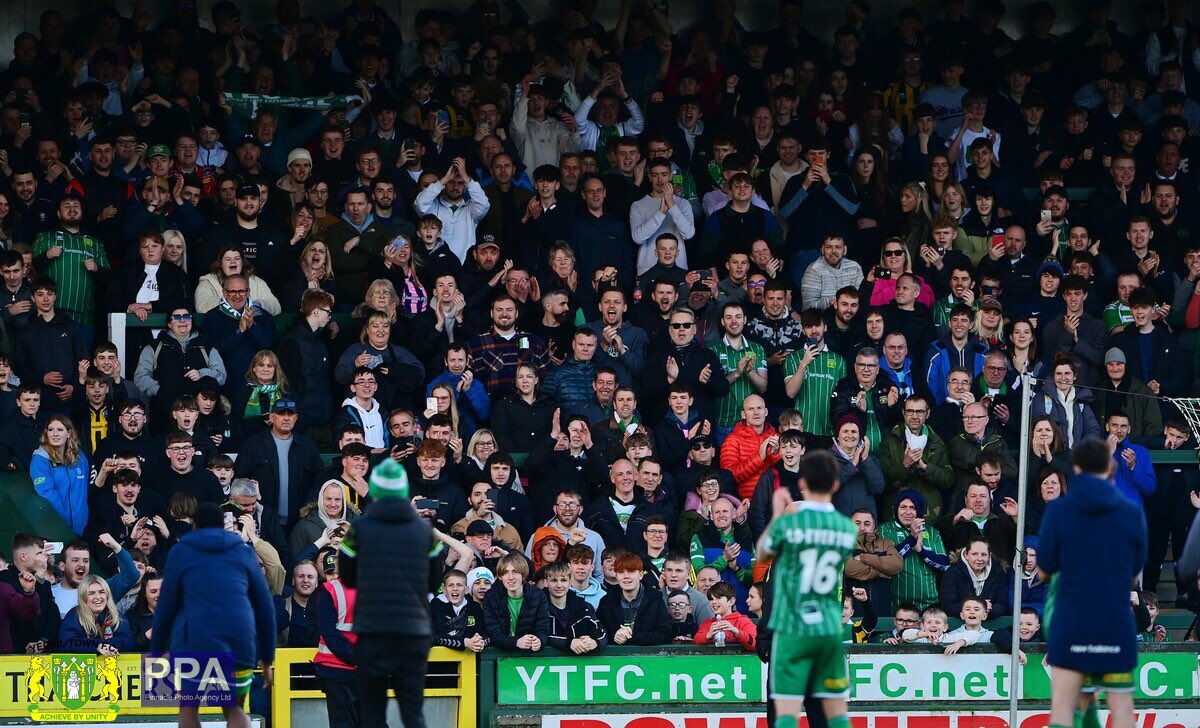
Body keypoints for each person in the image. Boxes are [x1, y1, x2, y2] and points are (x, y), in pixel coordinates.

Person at [1040, 439, 1148, 728]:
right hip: (1114, 623)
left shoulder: (1058, 511)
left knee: (1064, 708)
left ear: (1076, 469)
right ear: (1111, 466)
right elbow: (1135, 571)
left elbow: (1045, 567)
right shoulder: (1131, 512)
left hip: (1073, 621)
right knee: (1123, 710)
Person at [756, 450, 858, 728]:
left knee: (784, 715)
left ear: (802, 483)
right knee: (833, 715)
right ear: (835, 485)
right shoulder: (846, 529)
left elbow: (763, 553)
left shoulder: (790, 525)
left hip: (791, 630)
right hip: (826, 630)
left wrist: (779, 514)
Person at [152, 502, 276, 727]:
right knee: (234, 707)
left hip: (195, 640)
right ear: (223, 526)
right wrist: (267, 657)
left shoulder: (181, 551)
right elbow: (265, 607)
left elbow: (166, 606)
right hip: (239, 639)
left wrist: (157, 652)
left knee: (189, 707)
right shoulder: (244, 552)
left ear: (194, 526)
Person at [338, 459, 439, 728]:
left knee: (372, 713)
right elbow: (434, 583)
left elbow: (347, 577)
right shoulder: (424, 531)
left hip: (373, 631)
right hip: (414, 631)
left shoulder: (359, 529)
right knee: (413, 713)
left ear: (375, 490)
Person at [597, 551, 673, 646]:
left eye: (631, 571)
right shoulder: (606, 601)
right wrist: (614, 637)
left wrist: (631, 637)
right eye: (621, 572)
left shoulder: (655, 599)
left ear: (641, 575)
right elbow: (598, 632)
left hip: (647, 658)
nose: (626, 576)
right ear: (616, 575)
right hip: (614, 658)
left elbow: (665, 634)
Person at [31, 415, 89, 536]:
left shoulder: (80, 457)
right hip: (57, 528)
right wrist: (64, 525)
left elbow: (84, 491)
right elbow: (47, 494)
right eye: (51, 430)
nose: (55, 434)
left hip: (83, 529)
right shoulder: (40, 459)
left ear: (69, 433)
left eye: (60, 429)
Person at [58, 575, 134, 655]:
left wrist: (103, 645)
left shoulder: (116, 615)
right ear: (83, 596)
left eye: (102, 592)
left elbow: (128, 642)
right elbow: (66, 642)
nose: (98, 597)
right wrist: (96, 646)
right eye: (91, 593)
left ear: (107, 595)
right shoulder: (74, 615)